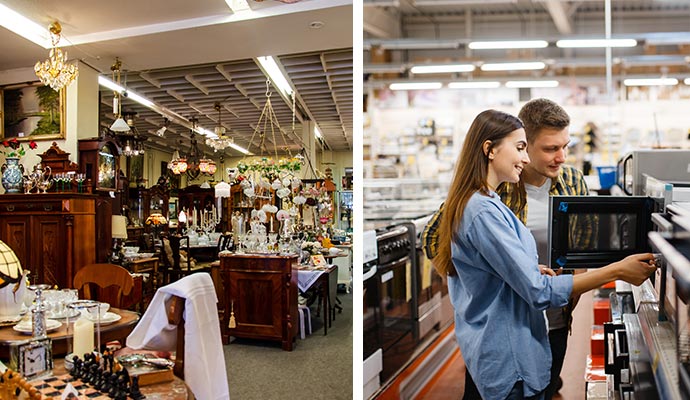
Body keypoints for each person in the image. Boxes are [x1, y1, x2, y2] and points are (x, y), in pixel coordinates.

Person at [433, 109, 655, 400]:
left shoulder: (492, 200)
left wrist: (526, 269)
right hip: (507, 349)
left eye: (565, 147)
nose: (524, 159)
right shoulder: (481, 210)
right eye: (521, 147)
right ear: (489, 149)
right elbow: (536, 291)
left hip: (533, 331)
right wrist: (616, 270)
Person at [423, 98, 591, 399]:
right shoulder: (493, 193)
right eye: (550, 149)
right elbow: (435, 239)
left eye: (565, 146)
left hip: (553, 320)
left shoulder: (573, 182)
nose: (562, 157)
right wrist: (482, 282)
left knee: (544, 387)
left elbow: (584, 245)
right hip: (502, 332)